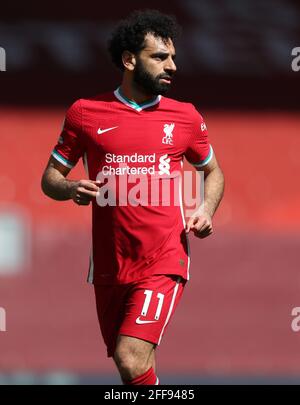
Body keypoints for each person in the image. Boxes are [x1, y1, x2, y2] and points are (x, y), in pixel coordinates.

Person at [41, 9, 225, 385]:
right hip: (110, 264)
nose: (171, 66)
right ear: (129, 60)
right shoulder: (85, 113)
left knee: (130, 356)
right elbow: (50, 179)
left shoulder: (185, 117)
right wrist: (71, 187)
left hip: (163, 259)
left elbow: (213, 171)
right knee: (135, 370)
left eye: (173, 57)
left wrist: (206, 209)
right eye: (160, 57)